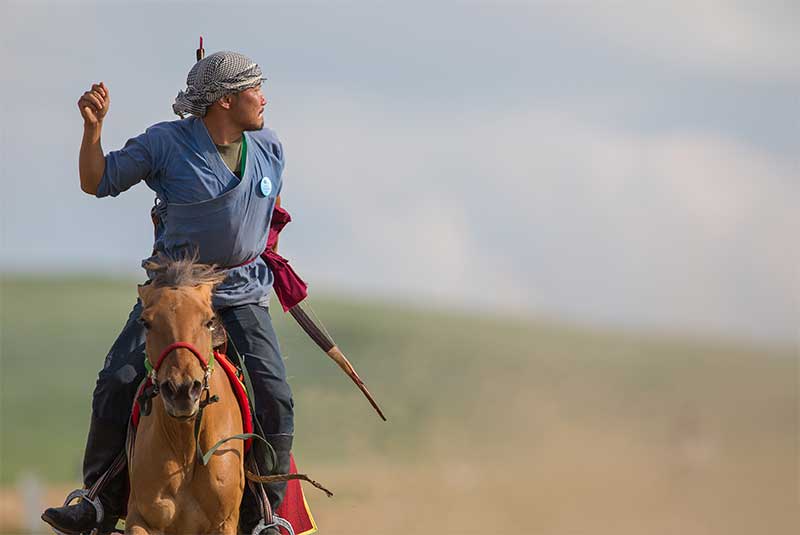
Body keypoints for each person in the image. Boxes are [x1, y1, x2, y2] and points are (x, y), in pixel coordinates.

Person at [41, 51, 294, 535]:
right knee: (118, 379)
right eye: (254, 90)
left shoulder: (270, 146)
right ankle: (98, 500)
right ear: (224, 100)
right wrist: (93, 131)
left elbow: (268, 205)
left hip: (240, 292)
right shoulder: (165, 143)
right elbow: (96, 181)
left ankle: (267, 515)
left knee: (275, 395)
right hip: (175, 291)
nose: (264, 98)